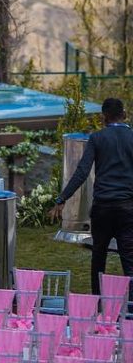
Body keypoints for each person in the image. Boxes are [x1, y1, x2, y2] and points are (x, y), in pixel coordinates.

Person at [49, 97, 133, 297]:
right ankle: (130, 311)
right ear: (124, 114)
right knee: (129, 261)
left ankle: (97, 303)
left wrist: (62, 199)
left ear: (104, 117)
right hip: (127, 208)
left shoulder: (97, 138)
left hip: (102, 208)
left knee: (99, 258)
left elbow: (81, 172)